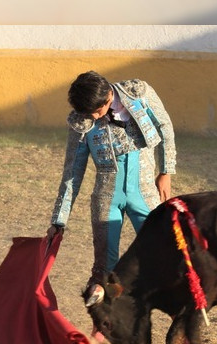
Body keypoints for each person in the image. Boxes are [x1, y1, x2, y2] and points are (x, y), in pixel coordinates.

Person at [46, 71, 176, 295]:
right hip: (107, 197)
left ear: (108, 97)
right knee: (103, 271)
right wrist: (59, 220)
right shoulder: (82, 120)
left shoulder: (139, 93)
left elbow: (165, 127)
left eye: (97, 111)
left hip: (145, 192)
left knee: (165, 254)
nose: (94, 118)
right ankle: (103, 324)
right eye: (89, 113)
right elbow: (72, 173)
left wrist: (166, 171)